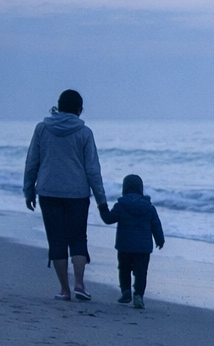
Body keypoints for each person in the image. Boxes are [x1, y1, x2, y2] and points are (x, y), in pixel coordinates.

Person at [23, 89, 108, 301]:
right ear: (79, 110)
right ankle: (79, 283)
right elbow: (93, 170)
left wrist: (28, 190)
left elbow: (32, 161)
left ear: (58, 106)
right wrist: (101, 201)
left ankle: (65, 290)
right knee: (78, 238)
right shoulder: (85, 133)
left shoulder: (42, 129)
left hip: (48, 192)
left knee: (56, 240)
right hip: (77, 194)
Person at [98, 174, 165, 308]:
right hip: (143, 247)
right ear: (141, 188)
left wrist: (102, 206)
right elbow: (156, 225)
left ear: (124, 188)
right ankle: (138, 295)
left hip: (124, 246)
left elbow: (108, 219)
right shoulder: (149, 207)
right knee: (141, 272)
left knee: (124, 269)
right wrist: (160, 240)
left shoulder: (121, 205)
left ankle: (126, 292)